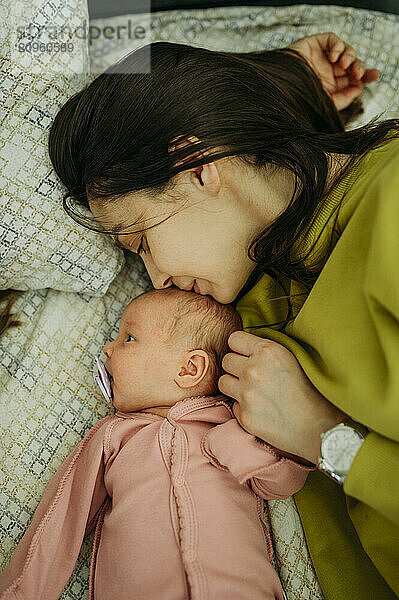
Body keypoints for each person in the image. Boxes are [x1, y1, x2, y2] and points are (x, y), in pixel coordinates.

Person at [46, 31, 399, 599]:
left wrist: (329, 439)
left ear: (197, 163)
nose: (155, 279)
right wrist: (288, 83)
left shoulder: (392, 201)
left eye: (140, 237)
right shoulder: (258, 277)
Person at [0, 287, 314, 600]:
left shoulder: (230, 425)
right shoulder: (114, 435)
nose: (108, 348)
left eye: (129, 338)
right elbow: (63, 519)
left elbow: (280, 483)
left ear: (189, 369)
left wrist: (241, 445)